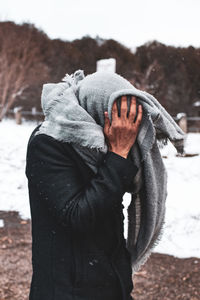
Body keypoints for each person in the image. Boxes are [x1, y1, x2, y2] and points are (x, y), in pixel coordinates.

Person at [25, 91, 142, 300]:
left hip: (111, 283)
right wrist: (118, 155)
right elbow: (78, 215)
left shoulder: (98, 146)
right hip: (68, 290)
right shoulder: (46, 143)